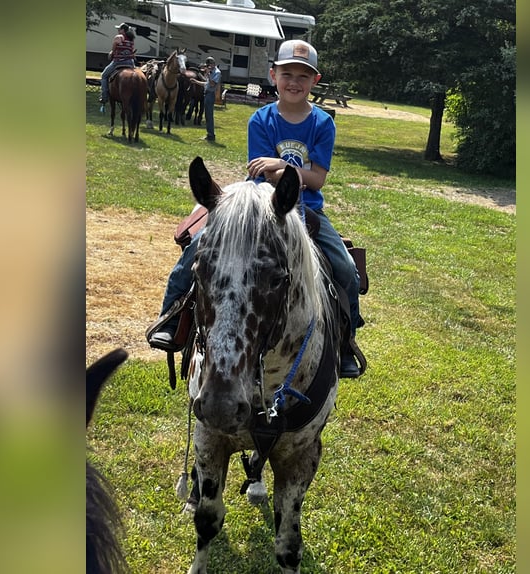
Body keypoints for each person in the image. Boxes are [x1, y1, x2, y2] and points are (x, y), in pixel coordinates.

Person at [147, 39, 362, 378]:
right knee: (200, 246)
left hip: (308, 210)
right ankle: (173, 317)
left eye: (303, 77)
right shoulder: (261, 119)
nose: (294, 82)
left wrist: (280, 164)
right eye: (287, 73)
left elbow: (316, 180)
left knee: (345, 267)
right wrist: (285, 171)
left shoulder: (322, 123)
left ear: (315, 81)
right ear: (273, 75)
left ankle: (346, 341)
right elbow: (258, 174)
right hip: (258, 208)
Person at [99, 23, 136, 105]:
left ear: (123, 30)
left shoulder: (119, 37)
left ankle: (104, 96)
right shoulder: (131, 39)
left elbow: (113, 50)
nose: (118, 30)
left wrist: (111, 53)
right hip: (130, 62)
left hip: (119, 61)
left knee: (104, 75)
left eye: (119, 29)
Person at [191, 56, 221, 141]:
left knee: (209, 116)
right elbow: (206, 84)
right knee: (207, 116)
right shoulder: (211, 72)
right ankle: (209, 134)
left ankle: (211, 135)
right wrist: (196, 81)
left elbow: (212, 84)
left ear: (213, 64)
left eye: (209, 65)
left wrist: (208, 74)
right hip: (207, 94)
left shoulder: (217, 73)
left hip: (210, 95)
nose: (208, 67)